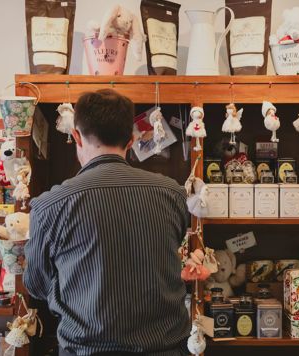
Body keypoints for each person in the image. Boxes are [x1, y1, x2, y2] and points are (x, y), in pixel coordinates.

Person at [24, 89, 191, 356]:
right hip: (166, 349)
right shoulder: (172, 194)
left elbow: (36, 285)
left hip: (85, 349)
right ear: (131, 139)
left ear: (76, 136)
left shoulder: (49, 206)